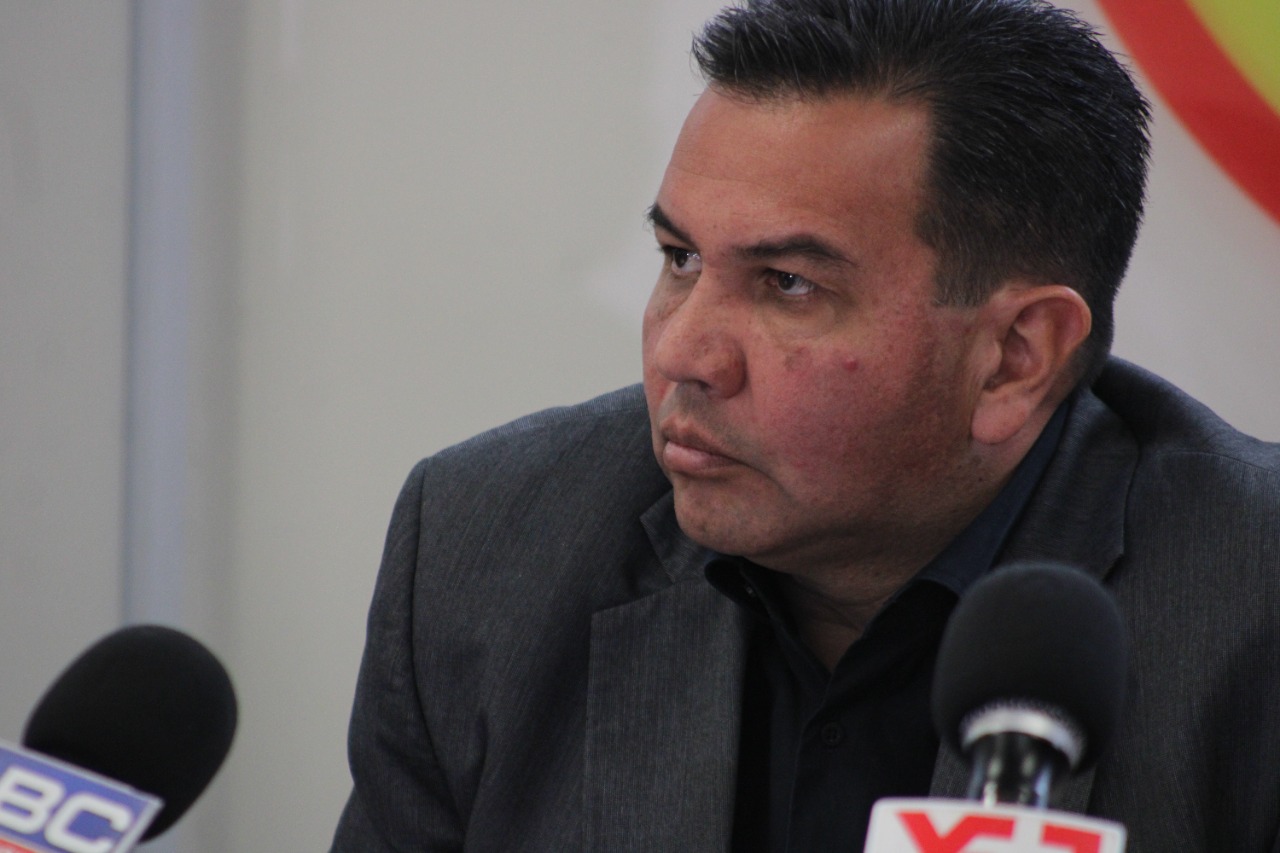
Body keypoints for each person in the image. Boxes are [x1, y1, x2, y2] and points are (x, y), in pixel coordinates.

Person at [330, 0, 1280, 850]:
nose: (682, 353)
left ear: (1013, 356)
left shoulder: (1253, 607)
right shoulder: (486, 550)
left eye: (787, 284)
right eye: (679, 258)